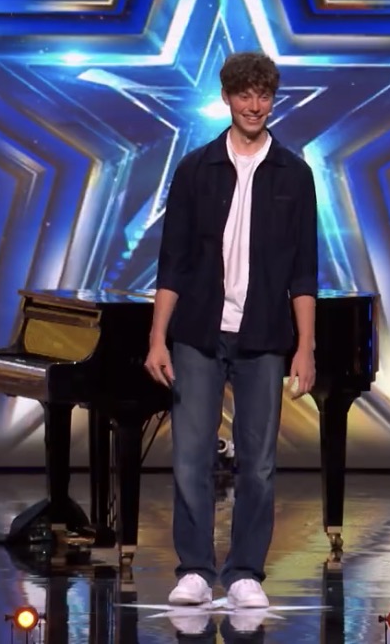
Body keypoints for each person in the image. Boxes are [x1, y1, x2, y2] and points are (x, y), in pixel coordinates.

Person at [143, 51, 318, 610]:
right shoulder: (196, 169)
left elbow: (304, 270)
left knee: (258, 463)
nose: (254, 105)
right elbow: (172, 263)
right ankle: (195, 569)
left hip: (264, 335)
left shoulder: (295, 174)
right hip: (198, 331)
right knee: (191, 458)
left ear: (273, 100)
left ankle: (245, 572)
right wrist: (157, 339)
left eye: (263, 95)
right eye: (244, 95)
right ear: (227, 98)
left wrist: (306, 347)